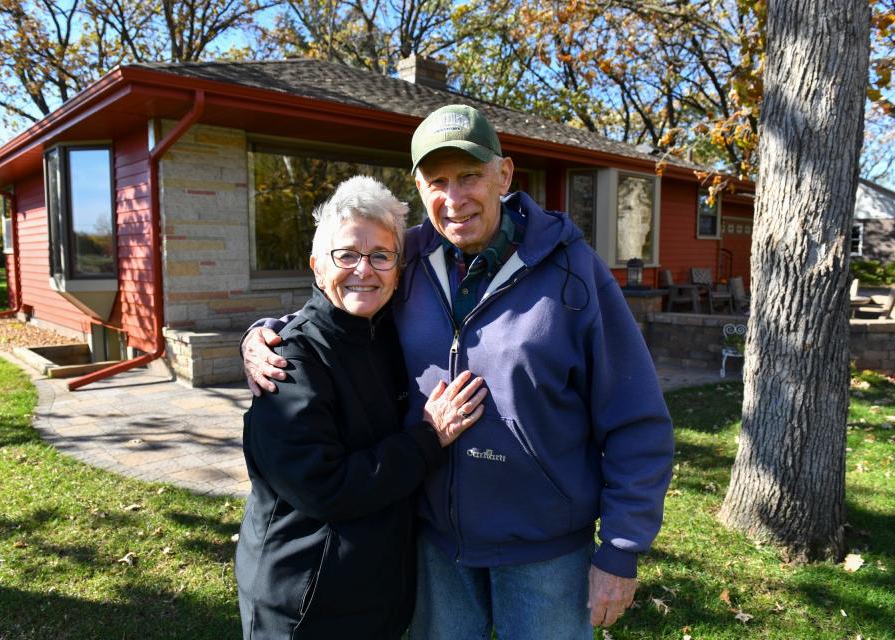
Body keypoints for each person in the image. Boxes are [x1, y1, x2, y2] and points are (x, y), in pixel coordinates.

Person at [242, 105, 675, 639]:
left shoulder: (574, 273)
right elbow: (346, 294)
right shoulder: (411, 257)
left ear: (504, 175)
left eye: (469, 175)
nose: (455, 198)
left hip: (544, 554)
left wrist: (622, 549)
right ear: (420, 189)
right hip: (434, 548)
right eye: (437, 181)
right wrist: (265, 333)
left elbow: (636, 418)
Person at [235, 175, 488, 640]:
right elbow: (325, 488)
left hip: (374, 596)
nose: (363, 270)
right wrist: (430, 437)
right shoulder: (287, 363)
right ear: (316, 266)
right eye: (346, 255)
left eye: (380, 256)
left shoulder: (388, 333)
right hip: (307, 603)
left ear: (399, 267)